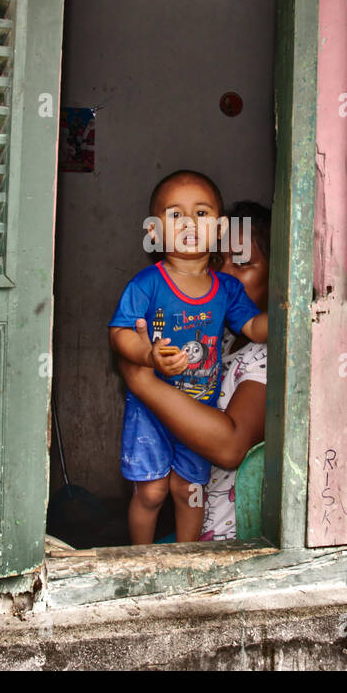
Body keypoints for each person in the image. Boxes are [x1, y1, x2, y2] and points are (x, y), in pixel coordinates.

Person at [108, 172, 269, 544]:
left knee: (186, 491)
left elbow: (229, 448)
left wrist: (291, 309)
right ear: (154, 231)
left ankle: (182, 563)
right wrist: (146, 353)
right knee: (151, 492)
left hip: (225, 537)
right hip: (152, 420)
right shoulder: (153, 284)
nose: (226, 271)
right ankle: (141, 562)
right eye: (176, 216)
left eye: (242, 263)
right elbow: (121, 333)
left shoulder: (258, 353)